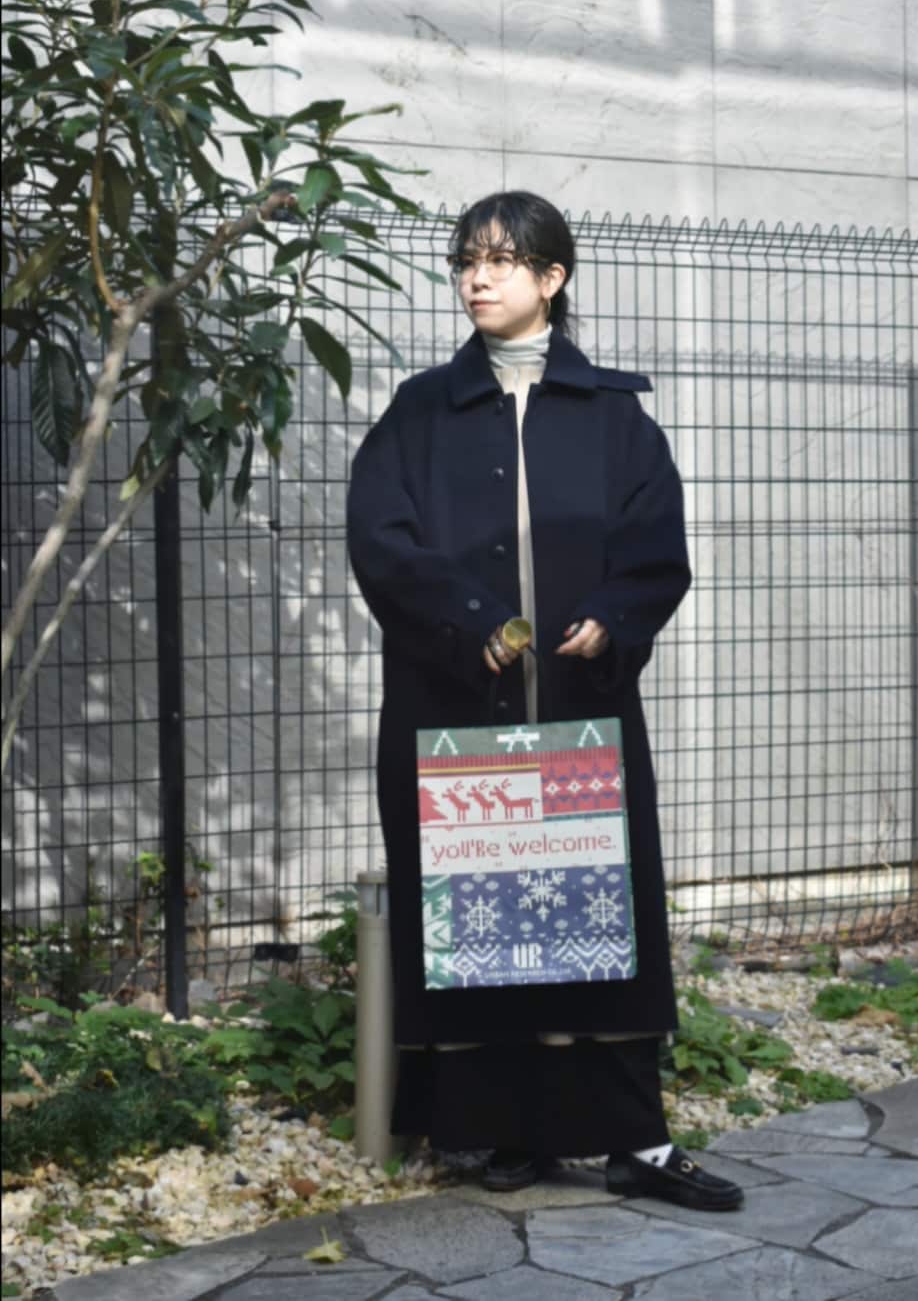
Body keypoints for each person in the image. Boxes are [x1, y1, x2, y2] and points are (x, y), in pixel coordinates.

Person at [347, 190, 742, 1210]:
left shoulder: (614, 417)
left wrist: (613, 615)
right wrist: (473, 618)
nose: (477, 278)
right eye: (465, 261)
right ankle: (504, 1133)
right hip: (458, 713)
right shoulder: (419, 411)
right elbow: (383, 542)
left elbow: (655, 546)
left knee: (595, 911)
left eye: (501, 260)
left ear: (552, 278)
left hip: (577, 710)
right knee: (480, 915)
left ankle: (634, 1141)